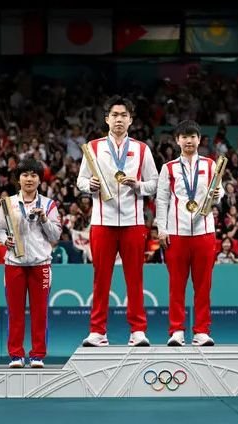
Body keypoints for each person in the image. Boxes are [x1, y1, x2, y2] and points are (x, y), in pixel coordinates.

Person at [77, 95, 158, 347]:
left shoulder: (142, 149)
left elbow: (155, 183)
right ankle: (97, 331)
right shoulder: (93, 148)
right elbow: (80, 181)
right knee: (101, 278)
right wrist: (88, 185)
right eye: (115, 115)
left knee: (135, 278)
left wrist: (139, 185)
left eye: (123, 115)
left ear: (130, 120)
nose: (119, 119)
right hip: (102, 220)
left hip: (133, 221)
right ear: (107, 119)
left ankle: (138, 331)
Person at [156, 120, 223, 347]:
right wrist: (162, 229)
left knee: (203, 284)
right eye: (184, 137)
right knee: (177, 284)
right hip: (177, 233)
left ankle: (201, 331)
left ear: (199, 139)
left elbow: (219, 193)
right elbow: (162, 199)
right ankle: (176, 330)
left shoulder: (210, 165)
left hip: (205, 232)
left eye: (193, 136)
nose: (189, 141)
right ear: (177, 141)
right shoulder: (169, 168)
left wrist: (216, 194)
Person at [0, 158, 62, 368]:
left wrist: (44, 219)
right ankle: (16, 355)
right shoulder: (8, 203)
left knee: (39, 312)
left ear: (40, 180)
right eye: (25, 175)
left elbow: (56, 235)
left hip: (40, 264)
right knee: (15, 313)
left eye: (34, 175)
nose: (29, 179)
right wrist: (3, 239)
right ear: (18, 179)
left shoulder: (49, 204)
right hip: (14, 263)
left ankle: (37, 355)